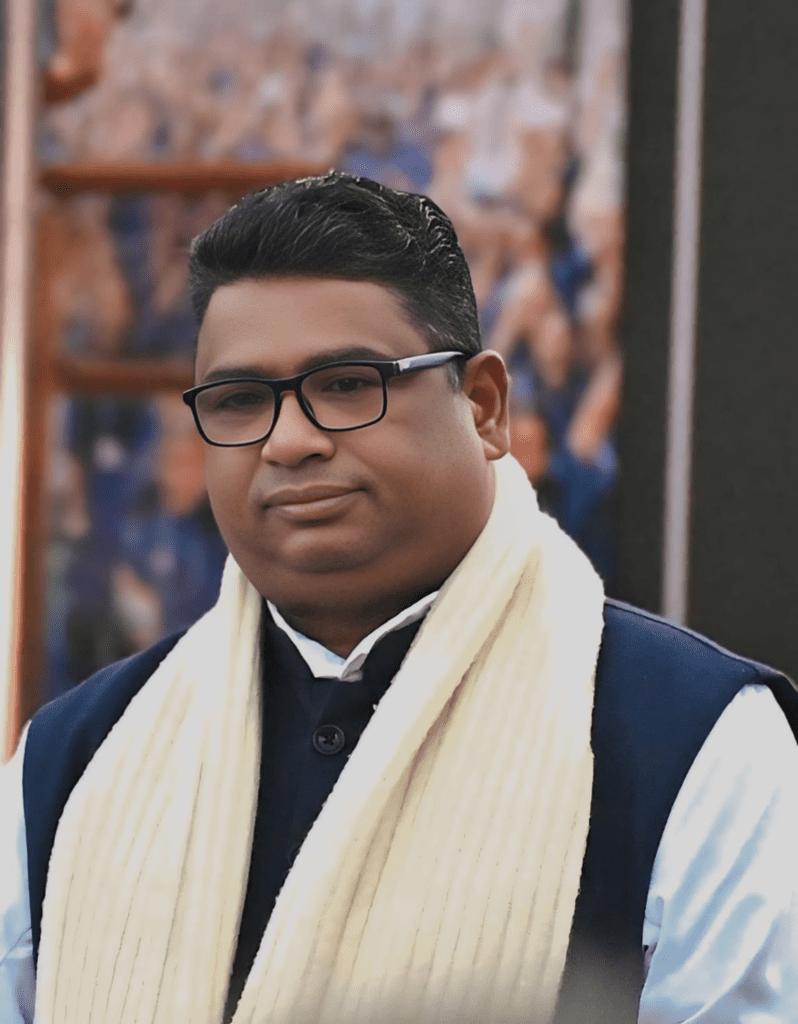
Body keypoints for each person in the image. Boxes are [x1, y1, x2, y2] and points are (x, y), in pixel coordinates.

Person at [2, 173, 797, 1024]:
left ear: (483, 407)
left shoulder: (693, 740)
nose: (289, 441)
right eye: (239, 402)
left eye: (347, 384)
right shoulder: (73, 761)